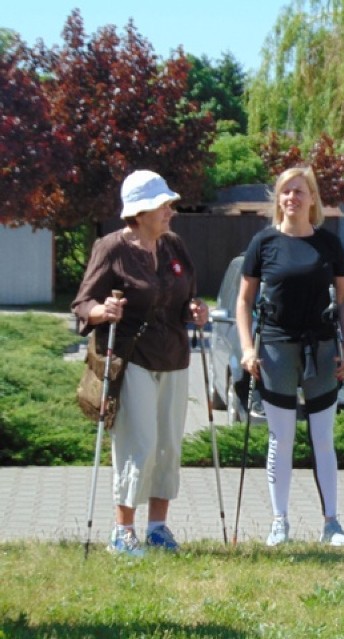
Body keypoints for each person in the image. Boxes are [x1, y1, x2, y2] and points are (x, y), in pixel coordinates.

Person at [72, 169, 208, 556]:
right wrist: (103, 309)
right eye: (164, 204)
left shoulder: (174, 245)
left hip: (175, 357)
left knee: (167, 445)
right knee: (139, 444)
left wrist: (196, 309)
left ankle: (158, 529)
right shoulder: (111, 248)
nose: (171, 210)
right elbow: (82, 303)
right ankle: (123, 532)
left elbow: (187, 295)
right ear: (142, 211)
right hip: (131, 358)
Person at [236, 166, 344, 547]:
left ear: (312, 198)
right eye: (286, 191)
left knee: (323, 438)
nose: (292, 198)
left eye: (299, 191)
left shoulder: (329, 244)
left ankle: (332, 524)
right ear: (278, 199)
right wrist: (247, 348)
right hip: (274, 349)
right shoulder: (263, 243)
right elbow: (243, 301)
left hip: (321, 349)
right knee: (280, 438)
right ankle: (279, 522)